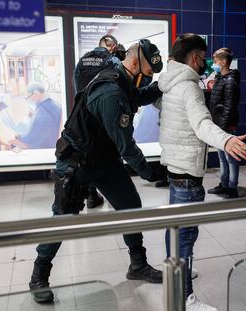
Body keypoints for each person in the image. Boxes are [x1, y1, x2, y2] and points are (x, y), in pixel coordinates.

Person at [29, 39, 166, 303]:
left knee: (130, 206)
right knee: (63, 219)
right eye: (146, 75)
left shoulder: (122, 78)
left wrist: (161, 88)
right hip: (77, 162)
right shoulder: (111, 93)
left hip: (104, 160)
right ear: (135, 63)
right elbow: (126, 147)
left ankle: (137, 264)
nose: (145, 80)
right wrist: (151, 173)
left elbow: (136, 96)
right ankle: (39, 276)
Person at [157, 33, 246, 311]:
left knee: (174, 230)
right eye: (204, 57)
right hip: (188, 175)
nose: (206, 63)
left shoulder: (169, 82)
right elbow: (201, 124)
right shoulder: (189, 87)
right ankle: (184, 297)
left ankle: (173, 277)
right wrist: (227, 140)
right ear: (196, 57)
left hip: (175, 167)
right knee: (185, 236)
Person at [73, 34, 121, 209]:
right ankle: (115, 194)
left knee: (88, 154)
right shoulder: (112, 60)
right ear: (113, 47)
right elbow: (121, 84)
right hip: (103, 113)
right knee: (109, 152)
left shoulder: (83, 60)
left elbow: (77, 87)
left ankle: (92, 195)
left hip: (83, 115)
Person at [207, 48, 241, 199]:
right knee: (222, 157)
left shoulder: (230, 81)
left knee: (230, 158)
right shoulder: (220, 78)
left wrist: (223, 128)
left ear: (224, 62)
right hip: (218, 125)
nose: (213, 63)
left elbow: (229, 107)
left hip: (226, 126)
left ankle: (232, 188)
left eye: (216, 60)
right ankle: (224, 184)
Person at [8, 83, 61, 150]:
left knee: (12, 144)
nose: (28, 100)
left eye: (28, 97)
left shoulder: (43, 112)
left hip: (44, 147)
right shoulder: (53, 104)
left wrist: (19, 137)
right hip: (51, 142)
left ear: (36, 93)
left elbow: (34, 139)